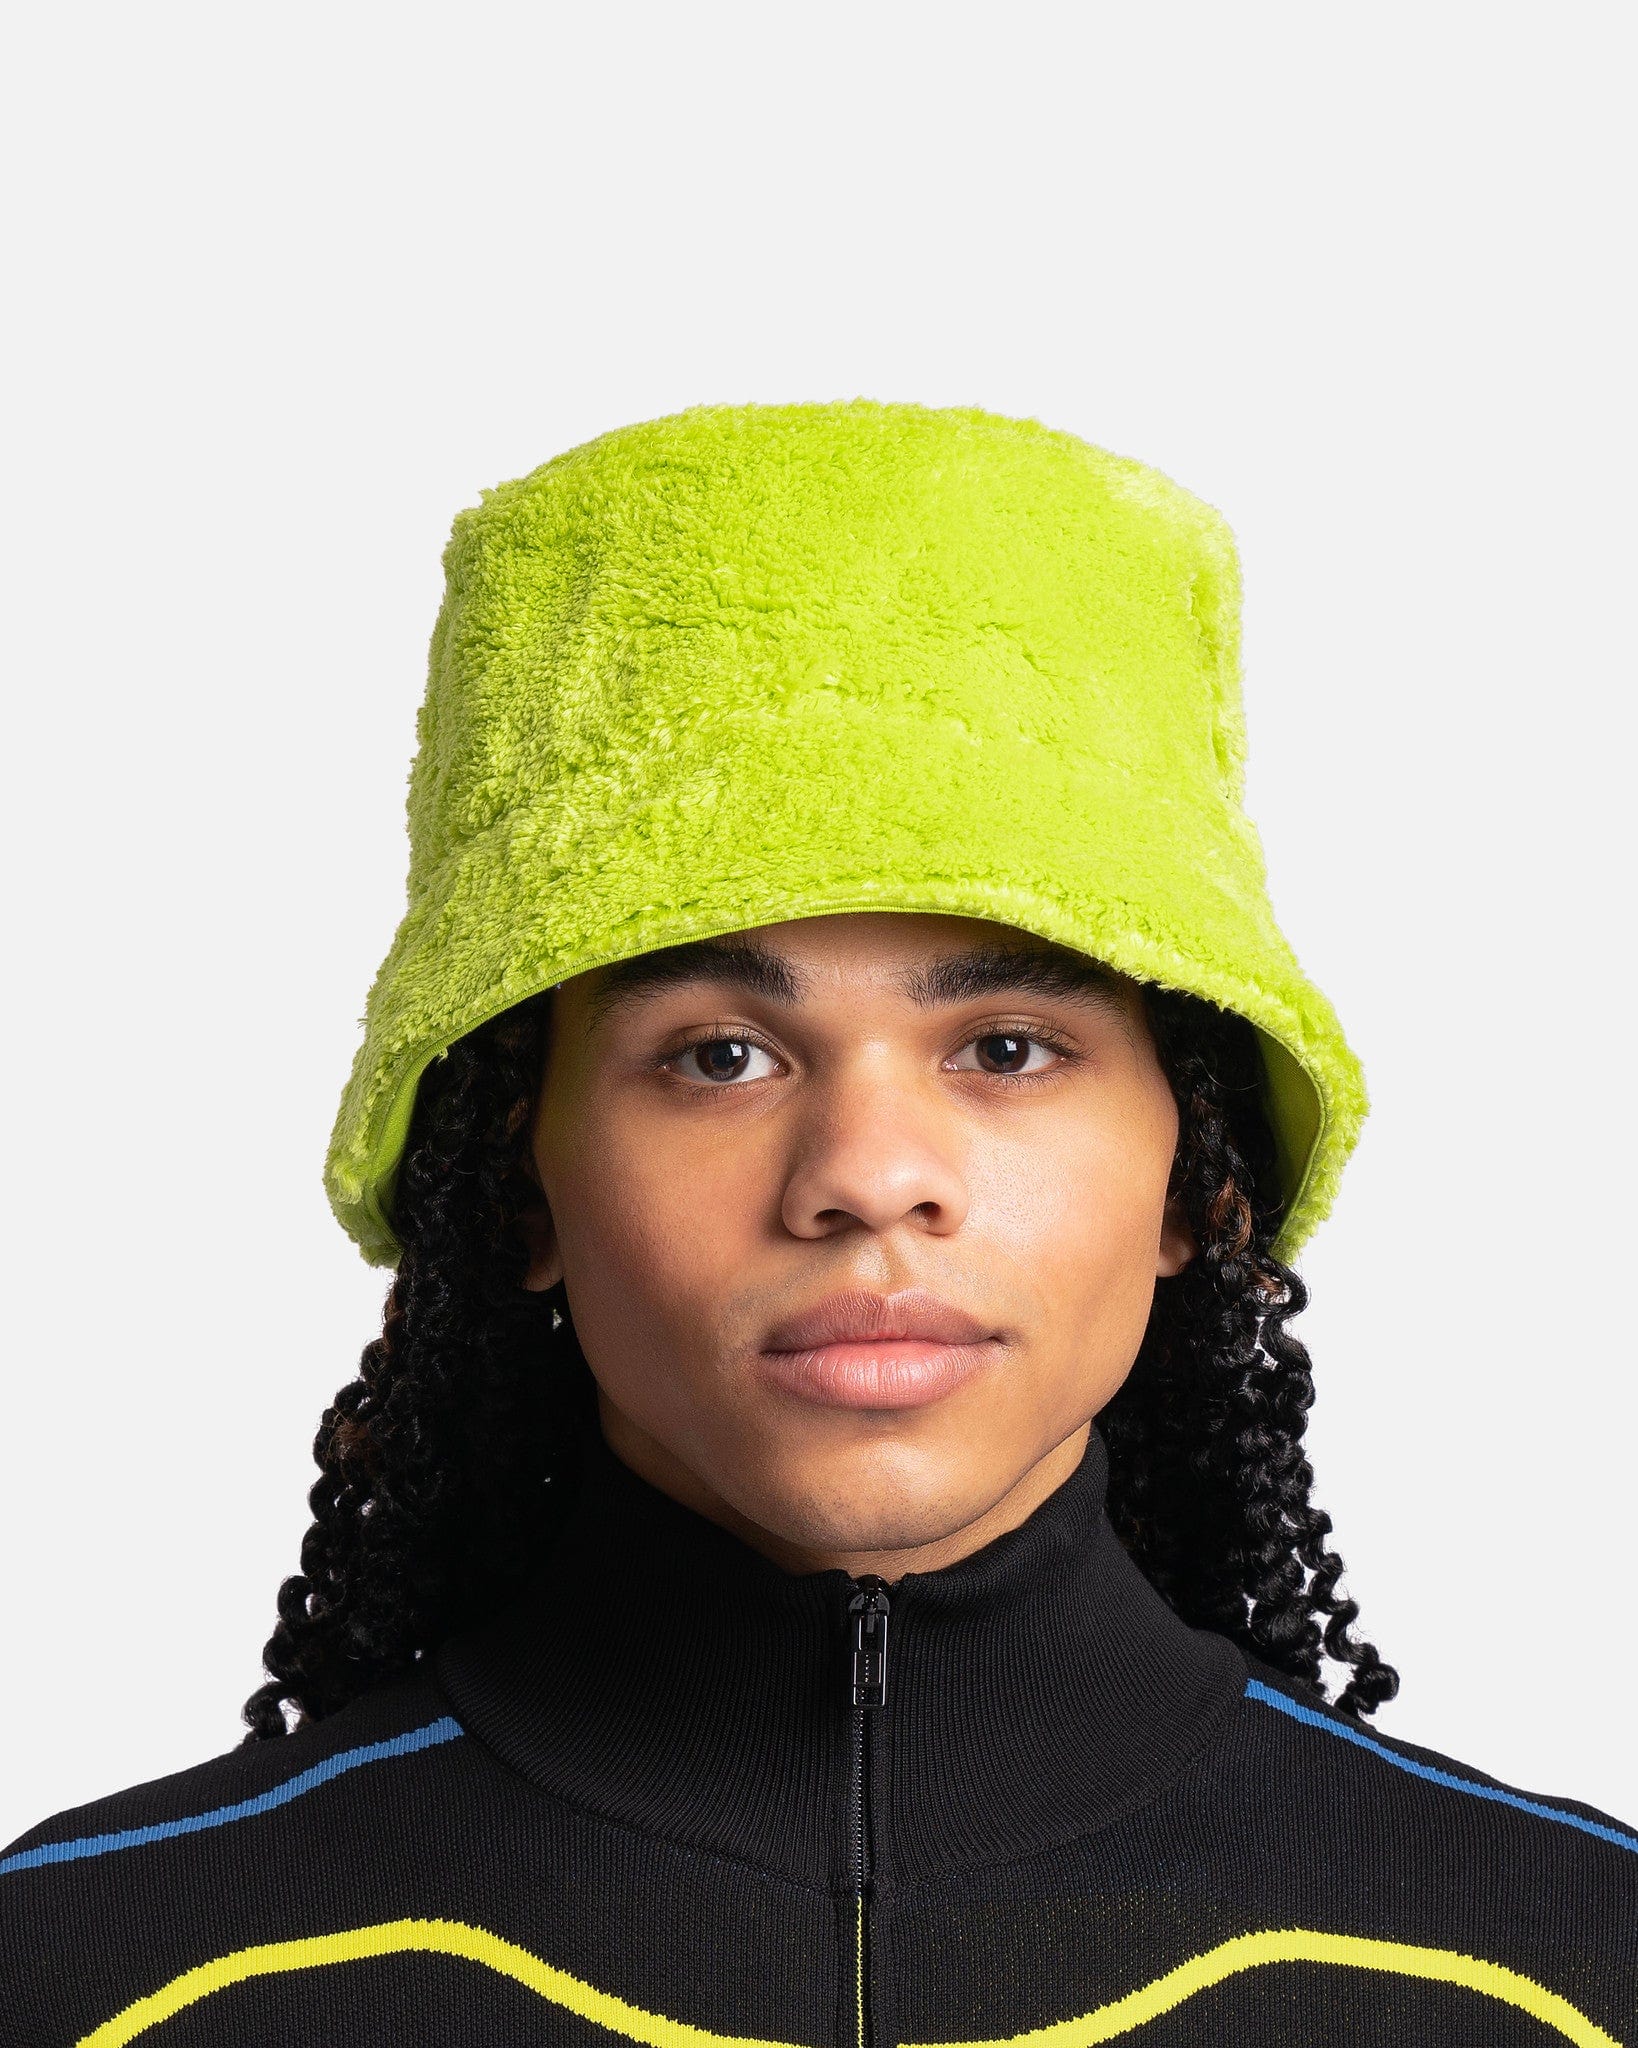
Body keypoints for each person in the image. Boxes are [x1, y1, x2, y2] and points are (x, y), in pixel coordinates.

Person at [3, 401, 1633, 2044]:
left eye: (1008, 1048)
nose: (865, 1174)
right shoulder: (92, 1975)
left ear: (1195, 1183)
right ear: (518, 1183)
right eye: (718, 1057)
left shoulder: (1569, 1969)